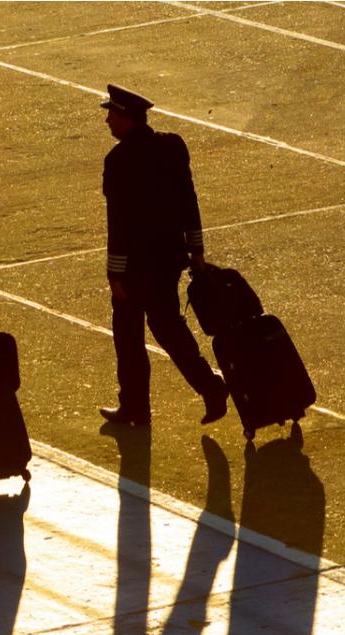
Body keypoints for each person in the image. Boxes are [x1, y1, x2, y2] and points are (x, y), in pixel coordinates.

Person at [98, 84, 228, 427]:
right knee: (169, 329)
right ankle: (209, 386)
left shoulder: (118, 161)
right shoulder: (172, 146)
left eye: (112, 114)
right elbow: (190, 200)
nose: (108, 120)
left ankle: (136, 407)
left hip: (135, 267)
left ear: (126, 118)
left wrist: (115, 273)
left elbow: (119, 223)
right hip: (169, 260)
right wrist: (196, 249)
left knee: (128, 337)